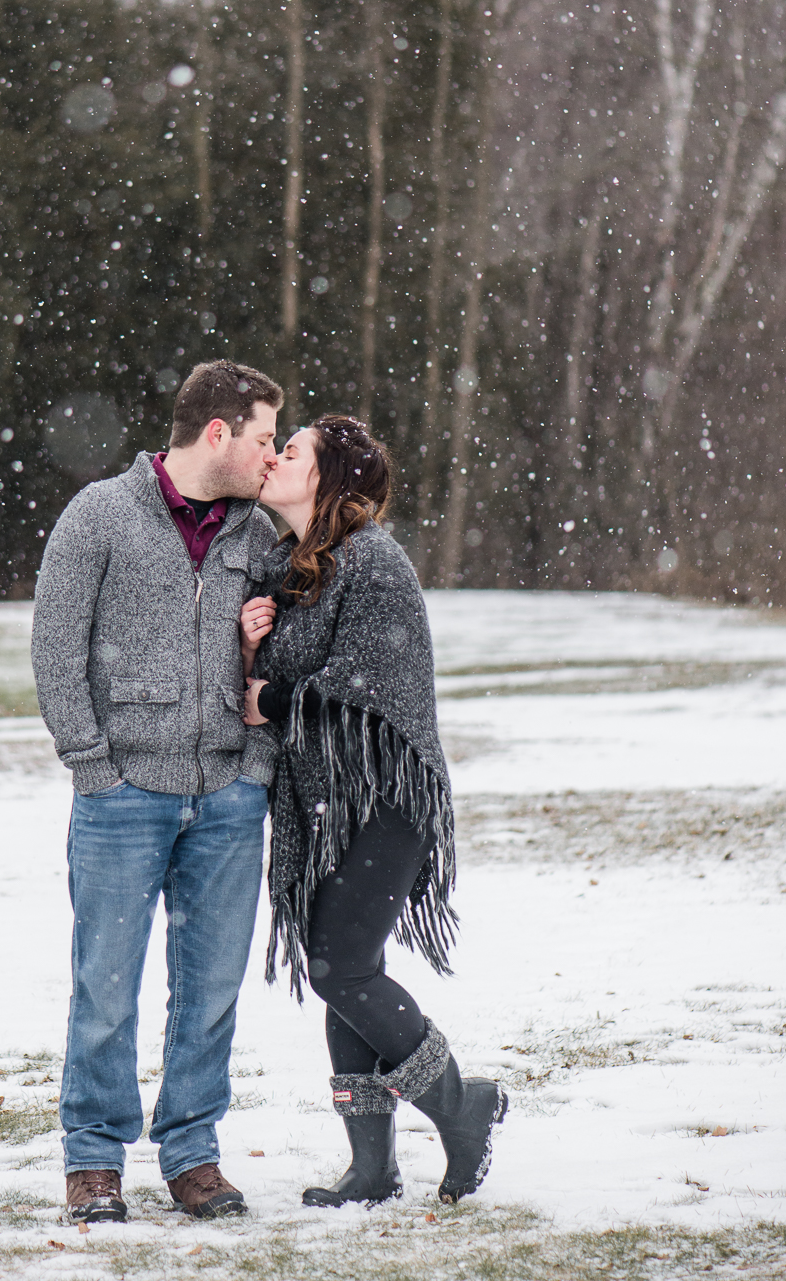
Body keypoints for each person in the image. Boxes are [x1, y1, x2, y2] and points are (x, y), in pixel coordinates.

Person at [32, 360, 283, 1224]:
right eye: (262, 438)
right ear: (218, 434)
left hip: (228, 794)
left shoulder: (259, 534)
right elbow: (55, 649)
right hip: (122, 795)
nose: (272, 456)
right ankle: (95, 1162)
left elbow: (286, 652)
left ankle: (192, 1156)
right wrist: (92, 766)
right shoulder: (99, 514)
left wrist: (256, 771)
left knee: (210, 990)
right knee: (105, 984)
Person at [241, 415, 507, 1209]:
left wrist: (273, 694)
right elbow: (271, 689)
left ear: (327, 480)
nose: (275, 456)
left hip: (389, 797)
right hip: (327, 803)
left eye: (292, 452)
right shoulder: (290, 569)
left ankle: (463, 1107)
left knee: (339, 965)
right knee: (345, 972)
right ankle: (373, 1167)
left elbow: (365, 688)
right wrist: (251, 644)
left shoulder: (372, 561)